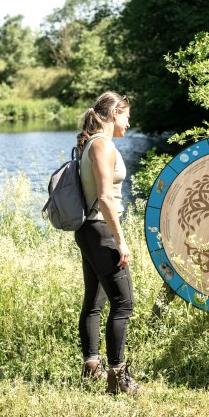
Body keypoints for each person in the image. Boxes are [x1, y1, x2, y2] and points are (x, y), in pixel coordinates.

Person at [74, 91, 139, 395]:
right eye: (126, 116)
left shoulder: (91, 144)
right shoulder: (102, 145)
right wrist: (121, 241)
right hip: (101, 231)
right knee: (123, 304)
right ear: (114, 114)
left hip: (90, 230)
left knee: (95, 303)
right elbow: (105, 197)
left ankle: (92, 368)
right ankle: (118, 378)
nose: (129, 122)